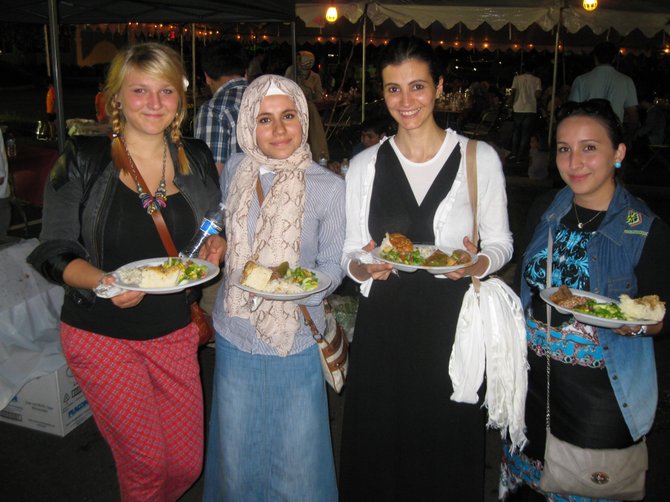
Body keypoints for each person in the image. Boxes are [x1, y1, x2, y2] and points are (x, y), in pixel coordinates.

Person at [27, 42, 224, 501]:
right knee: (147, 467)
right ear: (117, 98)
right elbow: (51, 249)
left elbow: (214, 224)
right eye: (139, 91)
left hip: (174, 330)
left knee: (185, 463)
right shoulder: (81, 158)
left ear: (180, 98)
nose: (154, 103)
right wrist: (103, 282)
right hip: (102, 333)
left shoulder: (193, 156)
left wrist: (219, 243)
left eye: (166, 91)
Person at [338, 36, 513, 501]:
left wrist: (478, 262)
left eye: (417, 86)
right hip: (384, 329)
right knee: (380, 449)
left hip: (451, 326)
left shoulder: (480, 158)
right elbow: (349, 251)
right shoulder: (364, 165)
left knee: (444, 444)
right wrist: (363, 268)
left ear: (438, 87)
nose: (406, 101)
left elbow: (500, 243)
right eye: (394, 89)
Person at [500, 99, 670, 500]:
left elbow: (662, 314)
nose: (574, 161)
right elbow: (526, 288)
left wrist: (642, 323)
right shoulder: (545, 210)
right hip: (530, 391)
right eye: (564, 148)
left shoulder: (643, 230)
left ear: (619, 153)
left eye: (589, 147)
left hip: (596, 402)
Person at [201, 74, 345, 501]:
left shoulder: (327, 186)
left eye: (288, 116)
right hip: (234, 332)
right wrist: (222, 243)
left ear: (303, 118)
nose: (279, 130)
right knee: (237, 448)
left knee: (297, 456)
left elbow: (333, 264)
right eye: (265, 119)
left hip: (294, 337)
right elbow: (230, 227)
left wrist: (303, 287)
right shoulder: (236, 173)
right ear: (248, 124)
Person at [195, 40, 249, 177]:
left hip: (235, 196)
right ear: (246, 72)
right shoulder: (268, 98)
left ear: (207, 77)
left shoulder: (214, 110)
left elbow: (211, 174)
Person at [569, 41, 639, 134]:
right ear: (614, 58)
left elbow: (572, 111)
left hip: (588, 132)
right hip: (613, 134)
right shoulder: (626, 81)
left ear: (595, 57)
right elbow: (633, 116)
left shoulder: (581, 80)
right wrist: (628, 135)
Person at [285, 50, 329, 161]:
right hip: (292, 108)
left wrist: (309, 89)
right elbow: (284, 88)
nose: (298, 61)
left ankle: (315, 157)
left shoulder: (315, 77)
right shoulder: (292, 71)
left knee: (313, 133)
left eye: (300, 59)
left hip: (309, 109)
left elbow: (319, 97)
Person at [509, 62, 542, 164]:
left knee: (516, 132)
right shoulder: (537, 80)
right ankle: (521, 156)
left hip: (518, 107)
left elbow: (512, 91)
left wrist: (510, 102)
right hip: (530, 109)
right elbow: (538, 94)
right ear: (533, 70)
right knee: (525, 134)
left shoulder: (517, 78)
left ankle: (513, 153)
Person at [45, 76, 56, 141]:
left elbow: (54, 100)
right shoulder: (50, 90)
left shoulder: (52, 90)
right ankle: (53, 135)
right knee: (52, 123)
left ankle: (52, 137)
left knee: (51, 123)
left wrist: (52, 110)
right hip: (49, 110)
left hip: (52, 110)